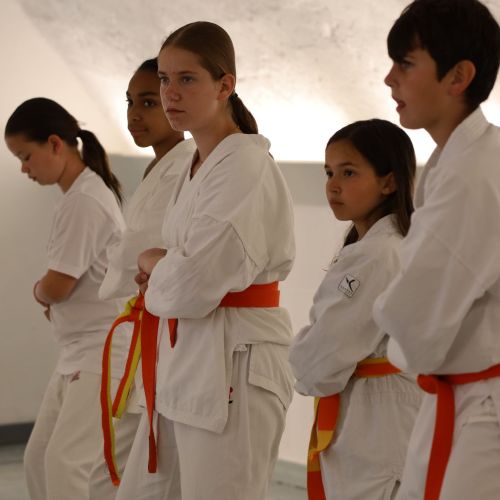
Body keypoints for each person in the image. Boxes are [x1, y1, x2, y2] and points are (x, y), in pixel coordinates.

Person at [115, 21, 296, 500]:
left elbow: (191, 286)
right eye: (164, 79)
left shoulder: (244, 165)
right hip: (185, 360)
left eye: (187, 79)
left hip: (234, 361)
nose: (170, 93)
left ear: (224, 85)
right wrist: (165, 267)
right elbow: (182, 275)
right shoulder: (198, 163)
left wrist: (156, 263)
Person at [372, 1, 500, 499]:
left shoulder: (472, 174)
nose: (389, 79)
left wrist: (392, 322)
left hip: (482, 408)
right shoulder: (465, 158)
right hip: (462, 393)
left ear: (458, 77)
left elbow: (414, 323)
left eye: (405, 64)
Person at [289, 119, 421, 500]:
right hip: (376, 426)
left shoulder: (380, 254)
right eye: (329, 172)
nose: (333, 185)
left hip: (380, 434)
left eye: (348, 172)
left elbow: (317, 364)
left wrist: (303, 349)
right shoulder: (380, 247)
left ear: (389, 182)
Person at [4, 97, 126, 500]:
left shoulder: (86, 200)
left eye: (26, 156)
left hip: (101, 352)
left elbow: (57, 287)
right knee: (38, 458)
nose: (24, 169)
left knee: (65, 462)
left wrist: (39, 291)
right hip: (79, 351)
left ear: (55, 144)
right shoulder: (76, 196)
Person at [88, 58, 195, 498]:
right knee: (115, 468)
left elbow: (153, 251)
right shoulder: (161, 166)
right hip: (141, 322)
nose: (134, 114)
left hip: (165, 328)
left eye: (148, 102)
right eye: (130, 102)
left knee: (131, 471)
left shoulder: (189, 164)